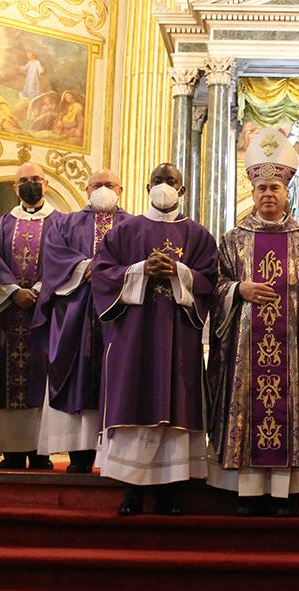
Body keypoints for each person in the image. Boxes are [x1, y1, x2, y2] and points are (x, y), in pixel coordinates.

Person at [206, 128, 299, 517]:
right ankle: (250, 492)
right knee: (250, 406)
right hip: (245, 346)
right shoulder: (233, 239)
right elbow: (215, 285)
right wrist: (239, 290)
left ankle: (282, 494)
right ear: (252, 193)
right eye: (261, 188)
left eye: (275, 187)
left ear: (287, 191)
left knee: (287, 406)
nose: (268, 194)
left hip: (290, 344)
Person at [91, 163, 217, 516]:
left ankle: (169, 491)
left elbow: (211, 279)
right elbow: (102, 274)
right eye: (159, 181)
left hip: (179, 338)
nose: (165, 187)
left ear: (183, 190)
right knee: (133, 400)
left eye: (172, 182)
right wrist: (138, 270)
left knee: (175, 407)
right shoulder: (124, 231)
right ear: (147, 186)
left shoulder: (198, 235)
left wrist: (179, 272)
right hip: (134, 337)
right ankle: (131, 489)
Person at [31, 169, 128, 474]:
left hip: (118, 316)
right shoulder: (66, 222)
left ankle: (115, 454)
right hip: (75, 315)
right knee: (75, 375)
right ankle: (79, 454)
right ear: (86, 189)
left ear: (121, 189)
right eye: (97, 185)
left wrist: (106, 273)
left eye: (109, 185)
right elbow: (54, 256)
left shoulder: (133, 225)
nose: (103, 190)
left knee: (117, 377)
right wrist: (84, 267)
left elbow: (139, 261)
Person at [0, 162, 62, 469]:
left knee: (43, 380)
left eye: (36, 179)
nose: (30, 184)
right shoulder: (2, 226)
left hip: (44, 319)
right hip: (8, 318)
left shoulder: (60, 223)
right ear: (15, 188)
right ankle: (11, 451)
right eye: (24, 180)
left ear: (46, 184)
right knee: (7, 383)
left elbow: (64, 261)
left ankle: (41, 450)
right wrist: (13, 292)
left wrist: (38, 290)